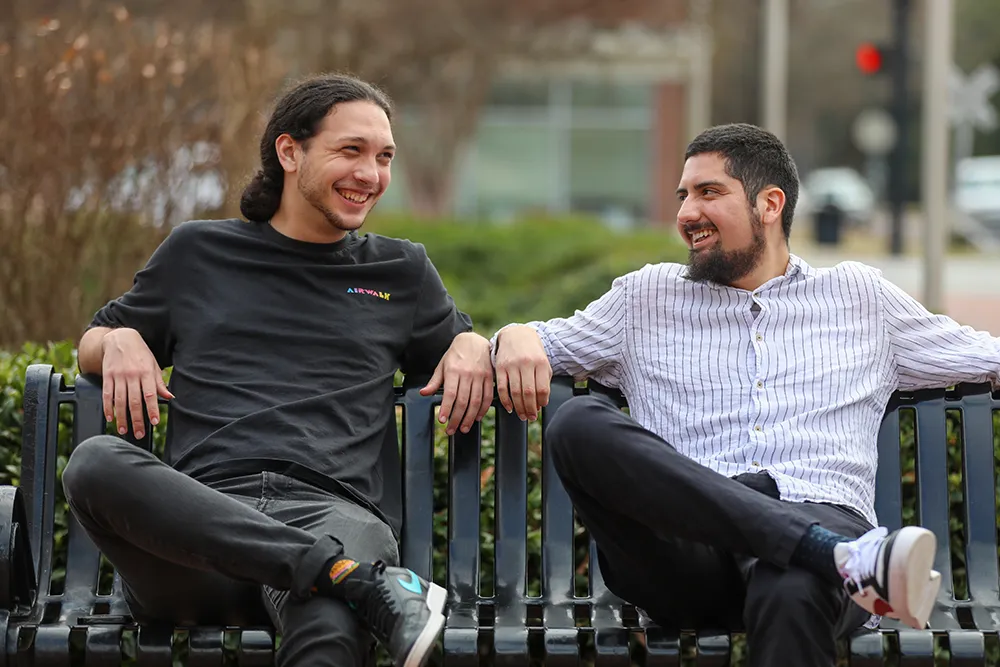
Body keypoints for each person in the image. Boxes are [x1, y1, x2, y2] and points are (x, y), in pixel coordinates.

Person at [491, 123, 1000, 666]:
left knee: (793, 584)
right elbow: (539, 343)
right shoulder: (644, 298)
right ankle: (834, 554)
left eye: (709, 192)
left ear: (770, 204)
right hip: (685, 552)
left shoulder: (862, 297)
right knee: (577, 423)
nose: (687, 213)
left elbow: (986, 356)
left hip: (820, 524)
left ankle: (820, 551)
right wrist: (511, 334)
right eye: (683, 196)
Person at [62, 74, 494, 667]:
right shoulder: (196, 253)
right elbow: (92, 340)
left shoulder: (401, 272)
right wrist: (116, 340)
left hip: (333, 513)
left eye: (384, 157)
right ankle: (353, 579)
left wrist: (472, 342)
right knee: (94, 463)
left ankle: (338, 577)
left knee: (327, 619)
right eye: (351, 150)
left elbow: (462, 349)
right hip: (201, 531)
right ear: (289, 152)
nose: (370, 174)